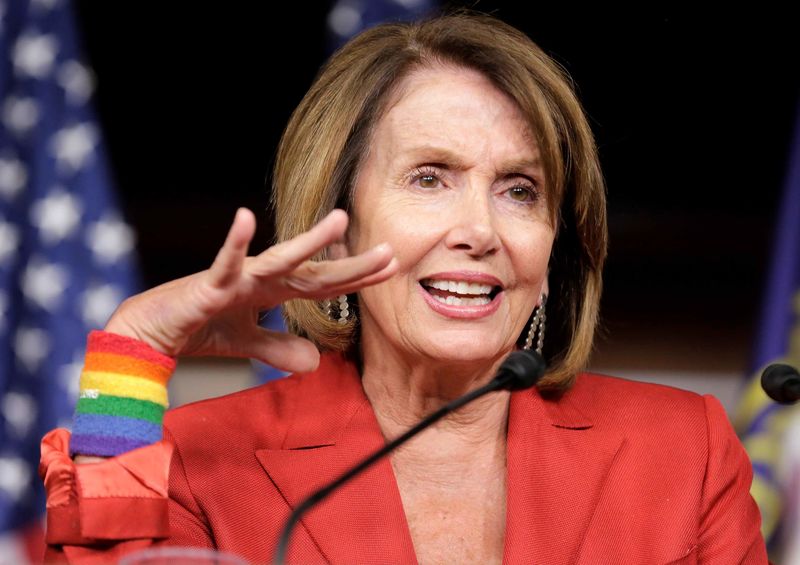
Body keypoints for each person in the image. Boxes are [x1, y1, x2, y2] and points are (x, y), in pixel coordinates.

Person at [39, 12, 767, 565]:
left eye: (520, 190)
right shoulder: (203, 460)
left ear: (553, 247)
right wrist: (133, 348)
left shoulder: (681, 450)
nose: (480, 228)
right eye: (430, 178)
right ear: (340, 225)